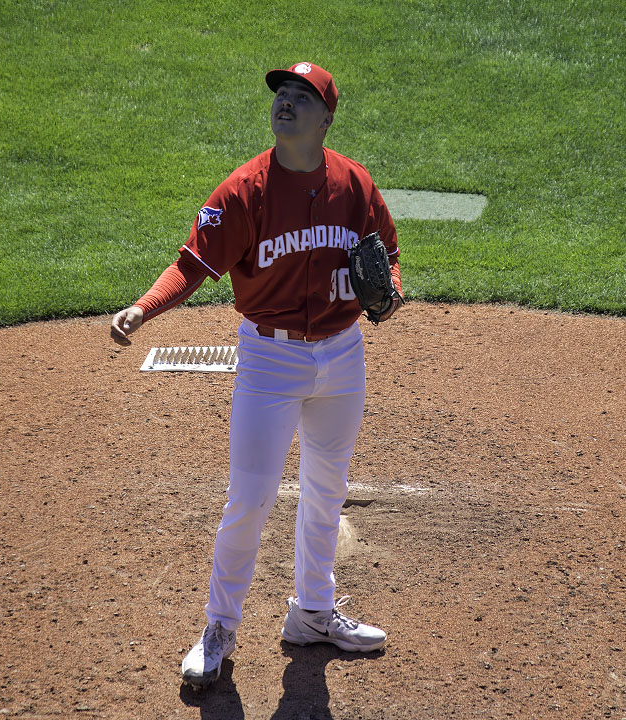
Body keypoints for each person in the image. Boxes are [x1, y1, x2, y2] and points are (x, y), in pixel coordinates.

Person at [110, 61, 402, 689]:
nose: (286, 105)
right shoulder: (244, 191)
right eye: (281, 97)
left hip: (343, 353)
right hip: (270, 359)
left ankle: (313, 614)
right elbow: (191, 264)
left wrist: (393, 289)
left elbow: (387, 252)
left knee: (327, 491)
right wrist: (143, 308)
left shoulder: (355, 184)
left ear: (326, 118)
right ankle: (219, 628)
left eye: (302, 98)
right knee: (249, 500)